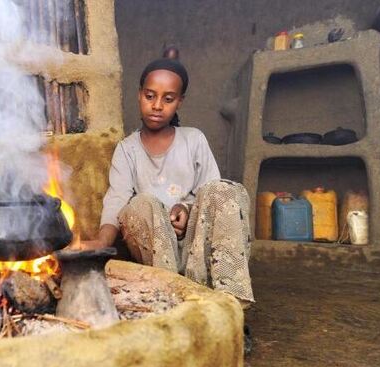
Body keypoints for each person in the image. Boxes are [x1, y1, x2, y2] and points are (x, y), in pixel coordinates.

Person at [81, 50, 254, 308]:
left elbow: (211, 193)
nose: (157, 105)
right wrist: (101, 242)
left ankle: (229, 305)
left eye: (168, 98)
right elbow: (116, 199)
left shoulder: (193, 139)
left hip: (197, 248)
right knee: (143, 204)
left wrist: (185, 209)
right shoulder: (127, 150)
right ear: (140, 94)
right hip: (156, 252)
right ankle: (169, 300)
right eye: (150, 96)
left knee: (226, 190)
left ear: (179, 102)